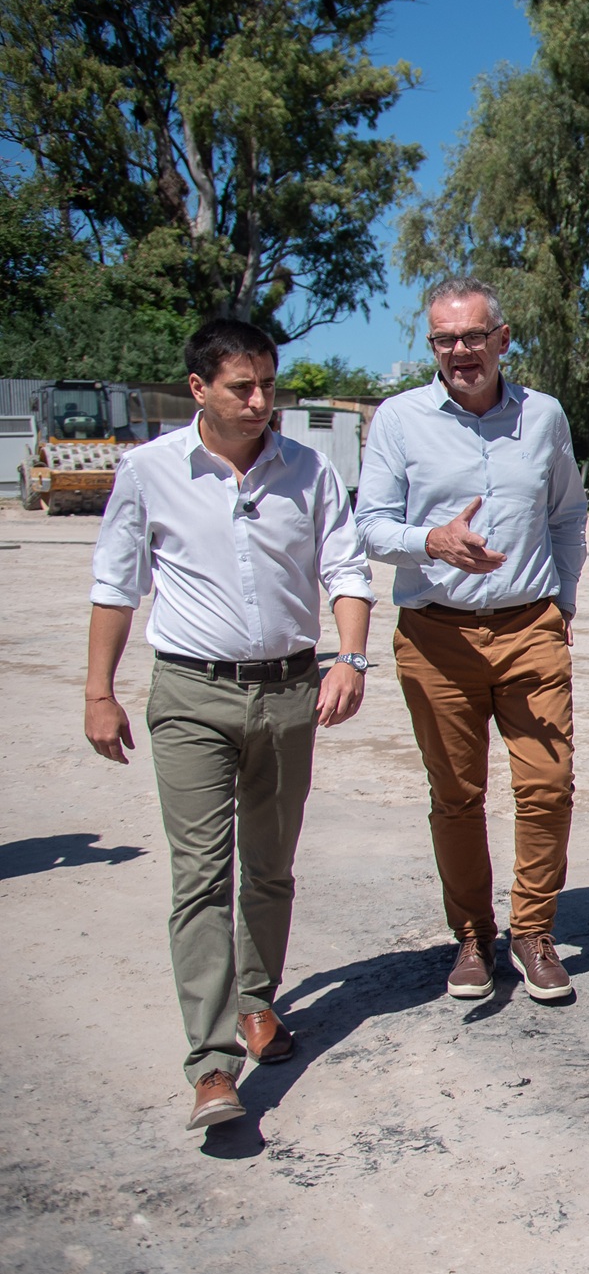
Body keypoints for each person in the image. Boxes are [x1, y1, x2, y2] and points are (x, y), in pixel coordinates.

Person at [85, 319, 374, 1131]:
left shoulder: (309, 470)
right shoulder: (148, 472)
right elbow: (116, 582)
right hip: (190, 696)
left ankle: (257, 1003)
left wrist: (349, 657)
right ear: (199, 389)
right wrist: (97, 691)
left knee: (271, 866)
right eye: (242, 387)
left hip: (288, 692)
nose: (259, 401)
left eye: (269, 386)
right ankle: (211, 1063)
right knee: (202, 875)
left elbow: (345, 567)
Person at [355, 276, 588, 1004]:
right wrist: (433, 541)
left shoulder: (544, 416)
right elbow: (370, 525)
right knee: (456, 795)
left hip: (530, 628)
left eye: (473, 336)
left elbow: (567, 514)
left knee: (547, 785)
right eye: (445, 339)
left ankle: (533, 930)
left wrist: (563, 603)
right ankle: (470, 935)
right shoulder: (397, 419)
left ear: (502, 339)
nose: (460, 351)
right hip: (436, 638)